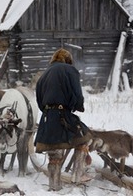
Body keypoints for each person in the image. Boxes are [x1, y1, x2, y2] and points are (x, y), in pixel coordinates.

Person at [35, 48, 92, 191]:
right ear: (68, 60)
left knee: (54, 153)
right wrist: (77, 106)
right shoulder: (70, 70)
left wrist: (49, 111)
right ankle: (78, 176)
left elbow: (39, 99)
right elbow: (77, 95)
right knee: (84, 137)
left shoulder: (44, 74)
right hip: (63, 116)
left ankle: (54, 186)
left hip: (47, 119)